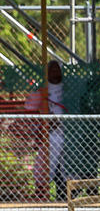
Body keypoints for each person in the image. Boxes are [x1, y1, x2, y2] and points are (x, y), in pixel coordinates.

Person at [24, 60, 68, 200]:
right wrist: (45, 118)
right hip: (51, 134)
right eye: (52, 69)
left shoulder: (68, 88)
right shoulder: (43, 89)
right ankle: (41, 191)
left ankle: (67, 195)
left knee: (67, 167)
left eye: (57, 69)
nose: (55, 72)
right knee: (44, 164)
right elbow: (29, 108)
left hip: (68, 133)